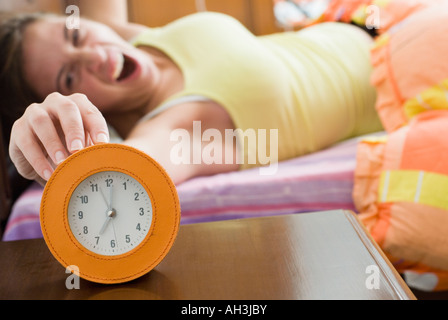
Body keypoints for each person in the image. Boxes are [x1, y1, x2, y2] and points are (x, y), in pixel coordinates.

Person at [1, 3, 386, 187]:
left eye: (75, 35)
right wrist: (41, 140)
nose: (95, 55)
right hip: (411, 77)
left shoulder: (134, 40)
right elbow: (123, 174)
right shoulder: (176, 126)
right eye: (69, 78)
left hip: (369, 17)